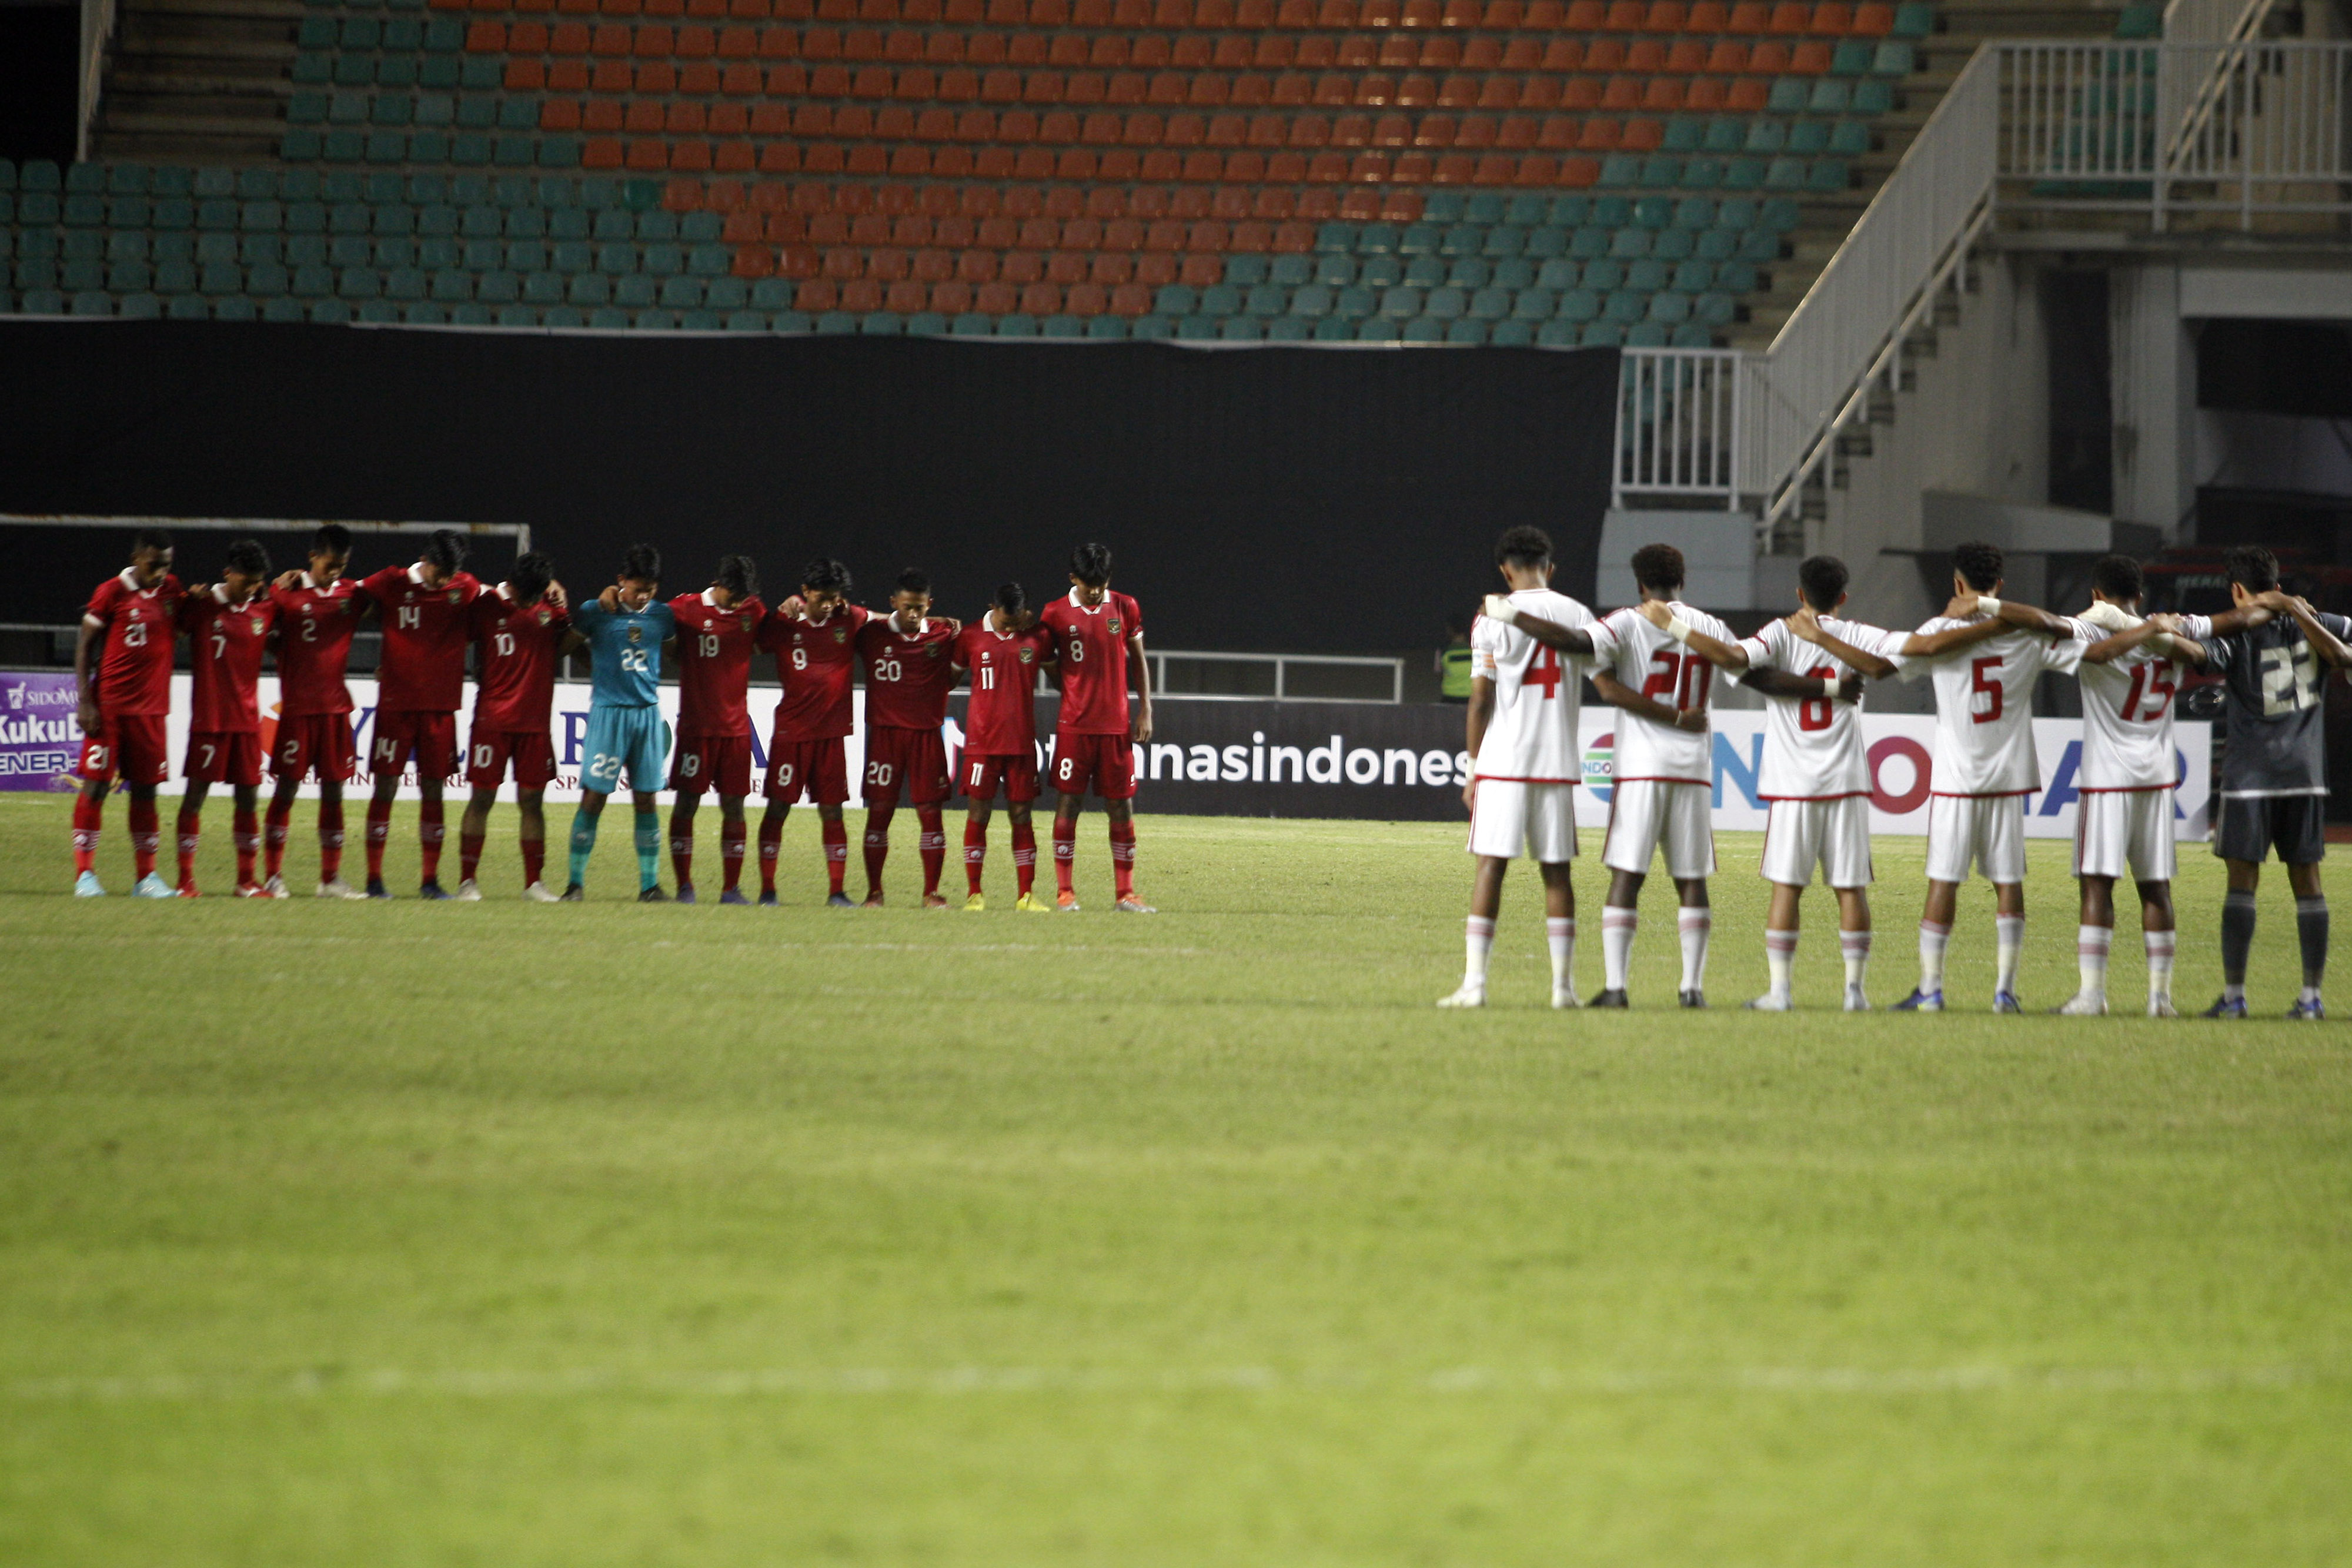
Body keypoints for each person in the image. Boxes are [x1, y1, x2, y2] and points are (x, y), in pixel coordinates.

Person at [1664, 555, 2010, 1010]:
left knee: (1787, 887)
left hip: (1793, 783)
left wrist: (1675, 627)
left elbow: (1731, 658)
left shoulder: (1780, 632)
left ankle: (1780, 992)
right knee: (1850, 888)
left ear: (1800, 594)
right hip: (1845, 778)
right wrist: (1977, 619)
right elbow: (1919, 647)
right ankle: (1855, 992)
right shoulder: (1857, 633)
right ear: (1843, 596)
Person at [1795, 542, 2086, 1013]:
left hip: (1956, 778)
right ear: (2000, 585)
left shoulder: (1938, 630)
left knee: (1943, 882)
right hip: (2008, 776)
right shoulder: (2028, 631)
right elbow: (2080, 640)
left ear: (1957, 583)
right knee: (2009, 882)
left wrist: (1819, 637)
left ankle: (1931, 989)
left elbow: (1878, 668)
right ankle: (2005, 991)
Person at [1436, 526, 1608, 1008]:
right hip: (1555, 762)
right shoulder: (1577, 614)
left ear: (1505, 571)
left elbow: (1480, 699)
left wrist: (1472, 769)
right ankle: (1563, 988)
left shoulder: (1490, 618)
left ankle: (1475, 985)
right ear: (1550, 568)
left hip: (1503, 762)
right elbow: (1601, 674)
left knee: (1491, 868)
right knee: (1557, 874)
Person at [2191, 545, 2351, 1018]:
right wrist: (2297, 610)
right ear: (2277, 586)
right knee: (2308, 882)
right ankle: (2311, 998)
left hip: (2250, 776)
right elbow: (2341, 653)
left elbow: (2200, 649)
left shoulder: (2237, 631)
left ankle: (2235, 996)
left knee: (2242, 883)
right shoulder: (2320, 621)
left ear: (2237, 591)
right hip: (2305, 775)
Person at [1586, 544, 1738, 1007]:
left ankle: (1617, 987)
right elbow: (1740, 662)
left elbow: (1604, 681)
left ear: (1639, 584)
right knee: (1691, 879)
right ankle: (1692, 989)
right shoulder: (1709, 626)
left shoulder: (1625, 622)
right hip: (1693, 768)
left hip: (1641, 768)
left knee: (1627, 874)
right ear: (1682, 581)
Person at [356, 529, 482, 900]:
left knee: (434, 789)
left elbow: (503, 596)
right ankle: (374, 879)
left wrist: (551, 585)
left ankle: (430, 880)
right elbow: (348, 593)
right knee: (386, 786)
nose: (443, 582)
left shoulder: (465, 587)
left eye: (449, 575)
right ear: (425, 561)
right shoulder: (393, 581)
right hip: (396, 706)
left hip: (440, 708)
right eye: (439, 573)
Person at [1037, 543, 1154, 913]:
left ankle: (1126, 894)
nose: (1095, 591)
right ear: (1073, 579)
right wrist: (1071, 690)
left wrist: (1145, 709)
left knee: (1121, 806)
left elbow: (1138, 661)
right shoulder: (1054, 613)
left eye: (1101, 584)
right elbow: (1046, 661)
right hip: (1075, 726)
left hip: (1116, 726)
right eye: (1089, 585)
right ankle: (1065, 893)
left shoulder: (1125, 606)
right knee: (1068, 803)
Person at [71, 530, 181, 898]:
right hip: (111, 709)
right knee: (97, 786)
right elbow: (85, 647)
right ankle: (85, 875)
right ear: (136, 558)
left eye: (166, 565)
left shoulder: (171, 590)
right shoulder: (111, 592)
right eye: (154, 564)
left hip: (152, 711)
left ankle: (146, 878)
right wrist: (85, 701)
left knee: (146, 792)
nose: (160, 572)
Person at [562, 544, 675, 901]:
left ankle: (649, 885)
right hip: (609, 714)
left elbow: (678, 654)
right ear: (621, 580)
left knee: (647, 799)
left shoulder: (663, 616)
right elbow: (565, 646)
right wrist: (596, 665)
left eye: (650, 590)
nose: (643, 596)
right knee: (594, 797)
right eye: (638, 588)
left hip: (647, 714)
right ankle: (575, 884)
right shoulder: (595, 612)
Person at [455, 550, 569, 901]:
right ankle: (467, 882)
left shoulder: (552, 610)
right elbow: (456, 638)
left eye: (538, 595)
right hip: (492, 721)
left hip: (534, 724)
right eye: (527, 596)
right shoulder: (486, 605)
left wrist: (556, 591)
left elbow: (568, 637)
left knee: (532, 802)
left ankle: (534, 884)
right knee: (482, 797)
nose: (532, 603)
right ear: (514, 585)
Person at [754, 558, 868, 907]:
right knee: (778, 808)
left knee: (833, 811)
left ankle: (837, 891)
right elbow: (753, 640)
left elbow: (886, 620)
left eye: (835, 597)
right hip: (792, 732)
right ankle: (768, 890)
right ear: (805, 592)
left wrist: (934, 622)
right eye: (822, 598)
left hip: (831, 734)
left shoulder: (848, 618)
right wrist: (779, 610)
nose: (829, 604)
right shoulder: (783, 623)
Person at [171, 539, 278, 898]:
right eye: (246, 581)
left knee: (248, 800)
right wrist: (187, 599)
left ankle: (246, 881)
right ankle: (186, 880)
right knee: (195, 797)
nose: (252, 588)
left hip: (247, 723)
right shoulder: (202, 606)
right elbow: (170, 631)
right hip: (210, 721)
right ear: (228, 573)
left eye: (258, 582)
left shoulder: (265, 609)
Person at [265, 525, 366, 898]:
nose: (335, 571)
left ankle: (330, 879)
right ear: (312, 557)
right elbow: (261, 629)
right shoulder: (284, 593)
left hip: (336, 710)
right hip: (297, 711)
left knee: (334, 791)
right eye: (329, 564)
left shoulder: (352, 594)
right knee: (287, 789)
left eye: (342, 565)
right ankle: (273, 876)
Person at [854, 569, 960, 908]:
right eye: (906, 607)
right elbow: (843, 614)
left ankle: (931, 893)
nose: (913, 614)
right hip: (885, 736)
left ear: (930, 604)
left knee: (930, 813)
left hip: (927, 736)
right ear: (893, 603)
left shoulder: (944, 634)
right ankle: (874, 892)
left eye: (920, 607)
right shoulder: (871, 634)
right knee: (879, 811)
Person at [666, 554, 766, 905]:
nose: (738, 604)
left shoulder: (754, 611)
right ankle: (684, 887)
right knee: (687, 804)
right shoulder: (685, 608)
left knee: (734, 806)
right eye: (732, 596)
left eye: (743, 597)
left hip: (736, 732)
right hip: (696, 729)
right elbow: (649, 620)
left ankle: (731, 889)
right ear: (717, 584)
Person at [953, 581, 1056, 912]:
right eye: (1005, 621)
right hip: (982, 744)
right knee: (979, 813)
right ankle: (974, 894)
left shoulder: (1038, 637)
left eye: (1016, 621)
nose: (1010, 627)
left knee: (1022, 815)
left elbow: (1061, 676)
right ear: (992, 608)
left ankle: (1026, 895)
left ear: (1025, 613)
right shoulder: (970, 636)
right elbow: (947, 679)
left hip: (1021, 744)